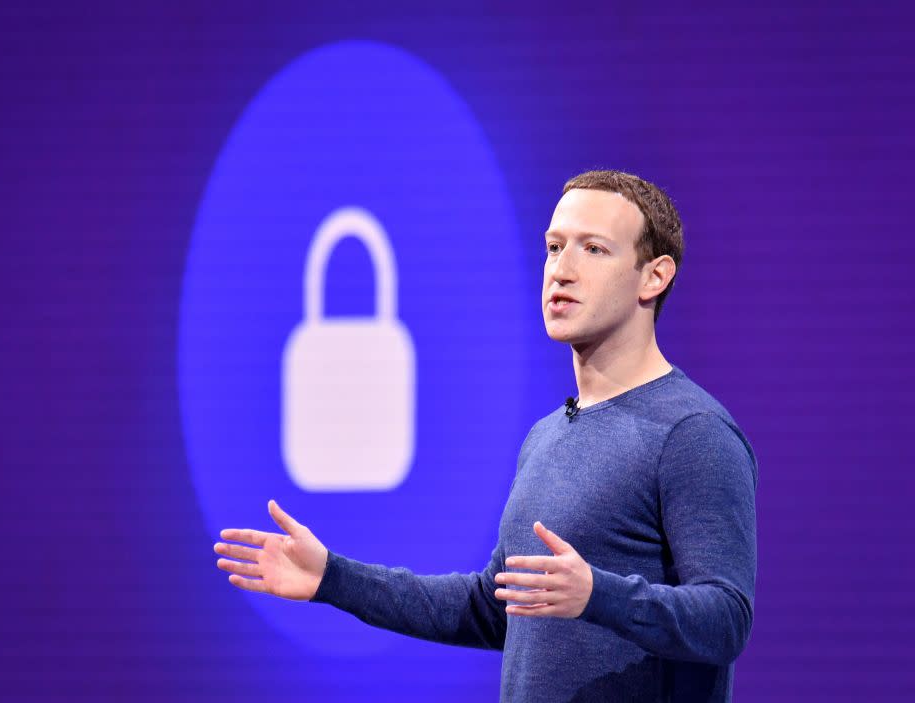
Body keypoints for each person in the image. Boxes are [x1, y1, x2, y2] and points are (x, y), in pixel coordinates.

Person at [214, 170, 758, 702]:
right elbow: (490, 609)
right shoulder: (547, 436)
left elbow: (725, 620)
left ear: (654, 277)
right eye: (553, 247)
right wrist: (334, 578)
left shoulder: (691, 432)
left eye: (593, 249)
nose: (560, 270)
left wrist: (598, 594)